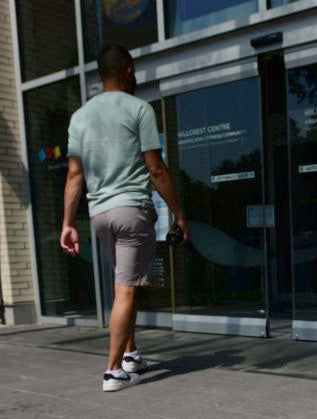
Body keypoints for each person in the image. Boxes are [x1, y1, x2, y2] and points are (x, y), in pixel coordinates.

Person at [60, 44, 189, 392]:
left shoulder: (80, 117)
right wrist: (179, 214)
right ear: (129, 70)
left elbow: (74, 175)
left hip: (100, 214)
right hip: (131, 210)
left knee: (124, 285)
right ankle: (113, 371)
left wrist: (68, 224)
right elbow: (156, 169)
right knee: (127, 290)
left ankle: (130, 355)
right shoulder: (139, 108)